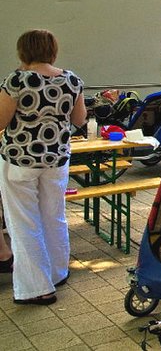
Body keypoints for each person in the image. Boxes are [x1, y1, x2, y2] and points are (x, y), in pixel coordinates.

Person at [0, 30, 86, 306]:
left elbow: (1, 121)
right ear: (52, 49)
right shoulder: (72, 80)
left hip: (20, 160)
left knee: (24, 223)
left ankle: (37, 288)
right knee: (54, 215)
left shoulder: (16, 80)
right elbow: (80, 119)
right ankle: (57, 272)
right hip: (56, 160)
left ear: (23, 51)